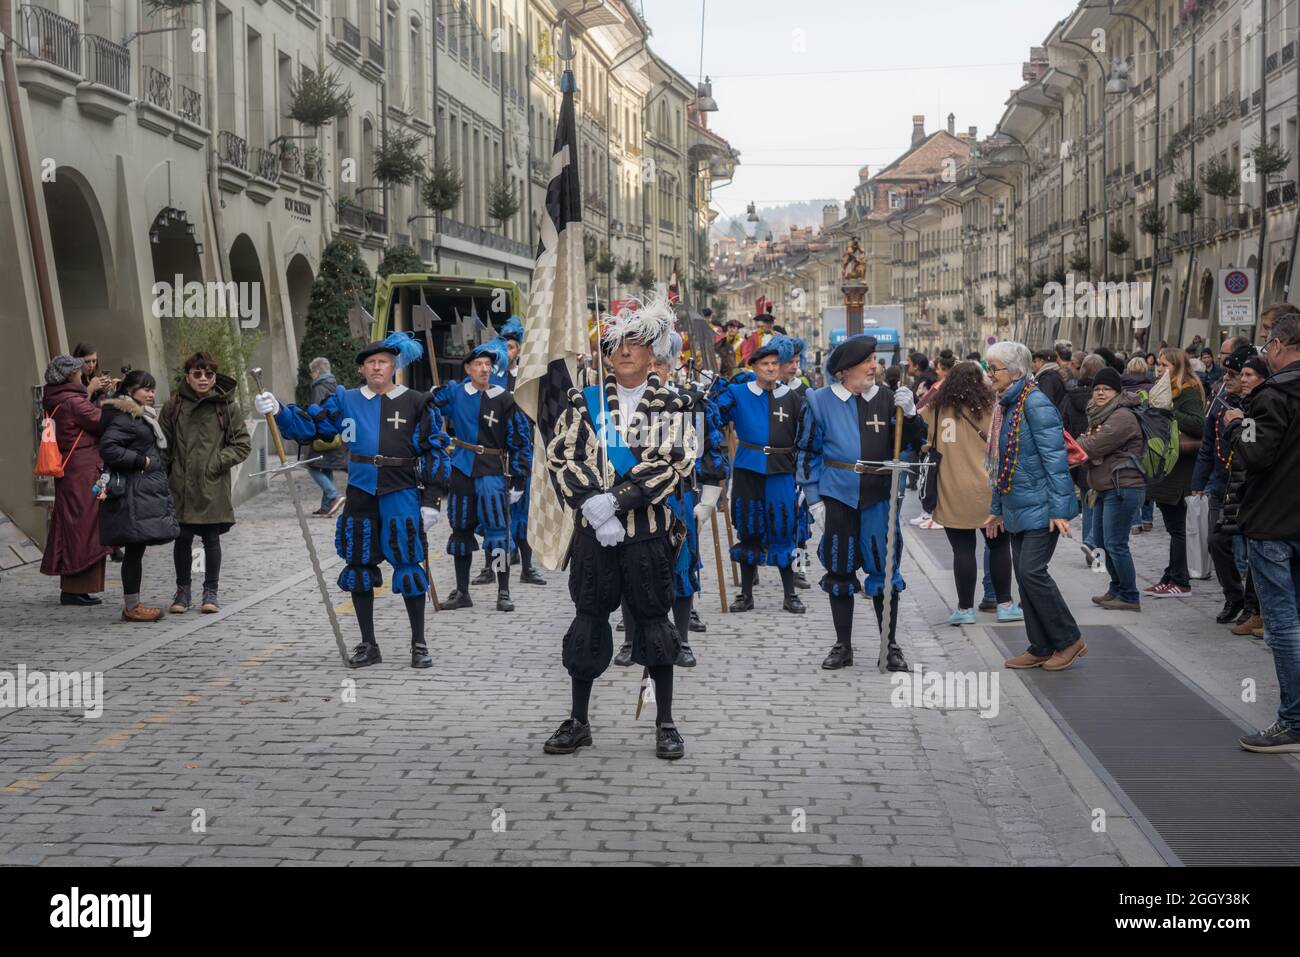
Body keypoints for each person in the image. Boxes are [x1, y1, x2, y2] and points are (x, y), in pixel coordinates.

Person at [542, 295, 697, 760]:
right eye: (617, 343)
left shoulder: (673, 402)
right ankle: (578, 720)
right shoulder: (582, 401)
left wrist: (616, 501)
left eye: (635, 342)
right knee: (588, 620)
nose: (625, 350)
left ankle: (665, 722)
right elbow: (561, 455)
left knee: (653, 623)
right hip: (595, 534)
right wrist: (593, 505)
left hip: (648, 533)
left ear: (654, 353)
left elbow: (673, 461)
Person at [254, 333, 452, 668]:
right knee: (359, 566)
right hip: (360, 490)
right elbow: (312, 426)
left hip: (401, 490)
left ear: (394, 366)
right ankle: (368, 644)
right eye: (371, 362)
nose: (377, 367)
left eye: (384, 362)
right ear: (361, 369)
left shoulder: (417, 402)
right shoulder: (345, 399)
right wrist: (279, 410)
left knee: (408, 566)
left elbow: (435, 450)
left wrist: (431, 500)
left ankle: (419, 643)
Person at [796, 335, 922, 672]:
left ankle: (889, 645)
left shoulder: (887, 399)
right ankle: (843, 645)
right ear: (845, 371)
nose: (874, 367)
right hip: (837, 495)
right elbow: (807, 452)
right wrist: (814, 500)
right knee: (840, 569)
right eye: (867, 362)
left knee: (885, 570)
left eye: (874, 360)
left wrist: (911, 416)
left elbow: (915, 442)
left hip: (878, 496)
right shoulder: (819, 401)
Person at [616, 331, 728, 669]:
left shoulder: (690, 402)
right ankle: (631, 640)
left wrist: (709, 495)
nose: (655, 371)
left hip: (678, 499)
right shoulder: (622, 403)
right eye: (650, 364)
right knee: (631, 568)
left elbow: (711, 450)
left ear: (671, 366)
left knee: (681, 566)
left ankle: (680, 640)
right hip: (634, 498)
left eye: (661, 364)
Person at [984, 342, 1086, 671]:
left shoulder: (1035, 403)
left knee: (1032, 572)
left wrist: (1059, 510)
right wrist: (997, 506)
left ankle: (1069, 640)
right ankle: (1040, 645)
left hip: (1041, 506)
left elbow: (1055, 460)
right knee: (1025, 576)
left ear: (1014, 371)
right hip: (1017, 506)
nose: (990, 374)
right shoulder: (1008, 405)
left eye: (995, 368)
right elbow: (1004, 464)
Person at [1225, 316, 1300, 752]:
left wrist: (1237, 421)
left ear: (1277, 345)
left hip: (1273, 521)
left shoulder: (1272, 395)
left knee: (1284, 622)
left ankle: (1293, 720)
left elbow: (1254, 452)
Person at [431, 338, 531, 614]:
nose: (485, 369)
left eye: (488, 364)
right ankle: (462, 592)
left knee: (498, 535)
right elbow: (429, 406)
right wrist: (434, 395)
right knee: (460, 531)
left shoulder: (505, 399)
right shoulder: (455, 393)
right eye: (478, 364)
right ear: (468, 369)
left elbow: (521, 440)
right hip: (462, 468)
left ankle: (503, 591)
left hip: (492, 472)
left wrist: (520, 479)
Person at [712, 335, 806, 614]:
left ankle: (790, 594)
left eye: (775, 363)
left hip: (781, 469)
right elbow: (714, 415)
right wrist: (713, 394)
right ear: (754, 367)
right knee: (749, 528)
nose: (771, 368)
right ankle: (746, 594)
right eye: (765, 364)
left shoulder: (792, 397)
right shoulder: (739, 393)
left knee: (784, 528)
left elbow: (806, 435)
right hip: (747, 468)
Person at [921, 361, 1019, 624]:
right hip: (987, 489)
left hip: (951, 488)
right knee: (998, 547)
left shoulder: (938, 408)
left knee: (962, 551)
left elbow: (920, 422)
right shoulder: (993, 407)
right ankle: (1005, 604)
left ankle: (965, 609)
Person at [160, 351, 252, 615]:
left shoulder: (225, 406)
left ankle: (211, 591)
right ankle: (183, 591)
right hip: (179, 484)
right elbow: (162, 445)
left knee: (211, 539)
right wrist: (163, 476)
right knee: (183, 538)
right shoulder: (173, 405)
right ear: (188, 377)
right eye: (197, 374)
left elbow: (242, 444)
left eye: (208, 374)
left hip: (211, 483)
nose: (203, 379)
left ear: (214, 377)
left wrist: (217, 462)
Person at [98, 370, 180, 622]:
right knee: (134, 549)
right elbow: (108, 448)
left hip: (141, 491)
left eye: (153, 389)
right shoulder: (127, 415)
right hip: (133, 493)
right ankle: (131, 607)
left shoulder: (139, 415)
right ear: (130, 391)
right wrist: (140, 461)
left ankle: (133, 604)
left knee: (136, 549)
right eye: (146, 389)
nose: (151, 394)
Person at [39, 355, 112, 605]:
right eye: (79, 370)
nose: (83, 372)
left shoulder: (56, 398)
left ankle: (75, 587)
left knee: (73, 525)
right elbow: (102, 421)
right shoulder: (73, 402)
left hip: (70, 470)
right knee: (85, 527)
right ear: (71, 375)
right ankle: (75, 588)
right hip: (82, 471)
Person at [1075, 366, 1146, 611]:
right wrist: (1089, 451)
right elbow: (1086, 446)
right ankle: (1116, 588)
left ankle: (1129, 594)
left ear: (1117, 391)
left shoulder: (1122, 416)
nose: (1101, 393)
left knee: (1116, 543)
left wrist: (1091, 452)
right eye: (1097, 389)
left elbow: (1090, 446)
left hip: (1122, 487)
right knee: (1104, 543)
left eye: (1107, 389)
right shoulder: (1100, 415)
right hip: (1106, 486)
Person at [1194, 344, 1251, 623]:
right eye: (1225, 372)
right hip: (1220, 482)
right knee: (1216, 541)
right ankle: (1233, 596)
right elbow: (1208, 443)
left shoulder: (1254, 403)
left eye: (1233, 374)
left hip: (1248, 486)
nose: (1226, 378)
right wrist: (1198, 482)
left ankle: (1253, 607)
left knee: (1255, 548)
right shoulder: (1219, 398)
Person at [1143, 348, 1206, 598]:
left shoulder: (1188, 389)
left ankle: (1180, 580)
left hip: (1180, 469)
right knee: (1174, 527)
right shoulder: (1167, 388)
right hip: (1168, 467)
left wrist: (1169, 410)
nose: (1159, 368)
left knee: (1178, 528)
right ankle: (1171, 575)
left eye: (1164, 364)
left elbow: (1197, 424)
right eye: (1159, 364)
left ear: (1177, 367)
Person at [1221, 357, 1269, 638]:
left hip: (1257, 490)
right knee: (1243, 551)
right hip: (1240, 485)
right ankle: (1252, 610)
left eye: (1249, 374)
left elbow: (1253, 451)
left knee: (1260, 557)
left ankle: (1263, 616)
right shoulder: (1245, 403)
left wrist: (1236, 425)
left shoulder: (1263, 404)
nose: (1243, 378)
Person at [1061, 353, 1104, 559]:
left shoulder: (1069, 398)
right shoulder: (1105, 398)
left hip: (1080, 458)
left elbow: (1063, 427)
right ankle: (1092, 541)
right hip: (1101, 456)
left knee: (1088, 501)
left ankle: (1090, 542)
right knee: (1102, 502)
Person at [304, 357, 347, 517]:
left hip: (322, 434)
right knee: (326, 466)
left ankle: (334, 496)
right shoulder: (335, 385)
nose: (311, 375)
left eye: (312, 372)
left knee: (311, 466)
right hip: (335, 434)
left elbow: (314, 411)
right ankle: (326, 506)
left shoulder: (319, 387)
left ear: (316, 372)